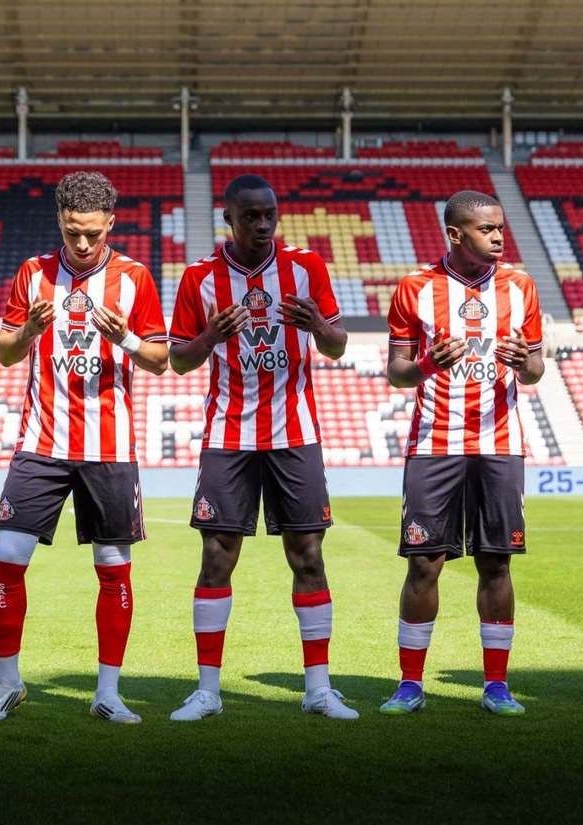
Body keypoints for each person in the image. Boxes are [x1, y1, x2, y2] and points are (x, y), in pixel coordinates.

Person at [0, 171, 168, 726]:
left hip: (110, 448)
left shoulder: (134, 277)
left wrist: (123, 337)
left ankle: (107, 693)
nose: (82, 243)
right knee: (9, 558)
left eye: (93, 233)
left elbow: (161, 360)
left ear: (111, 223)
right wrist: (29, 331)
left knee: (113, 567)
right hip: (41, 442)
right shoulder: (33, 273)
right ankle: (8, 684)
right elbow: (5, 352)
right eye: (72, 232)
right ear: (59, 220)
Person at [167, 174, 358, 721]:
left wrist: (317, 324)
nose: (262, 224)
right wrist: (211, 337)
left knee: (308, 555)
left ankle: (318, 688)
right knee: (216, 556)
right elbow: (178, 359)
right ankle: (208, 691)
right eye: (250, 216)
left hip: (295, 434)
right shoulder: (200, 278)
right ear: (228, 219)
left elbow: (337, 346)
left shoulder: (306, 267)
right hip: (228, 436)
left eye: (269, 214)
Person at [380, 189, 544, 716]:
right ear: (455, 234)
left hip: (500, 444)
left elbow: (536, 369)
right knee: (423, 565)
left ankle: (496, 685)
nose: (498, 237)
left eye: (500, 228)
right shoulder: (415, 287)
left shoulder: (520, 286)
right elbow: (397, 372)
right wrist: (428, 363)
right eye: (486, 229)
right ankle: (410, 684)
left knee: (496, 563)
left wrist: (523, 363)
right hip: (435, 445)